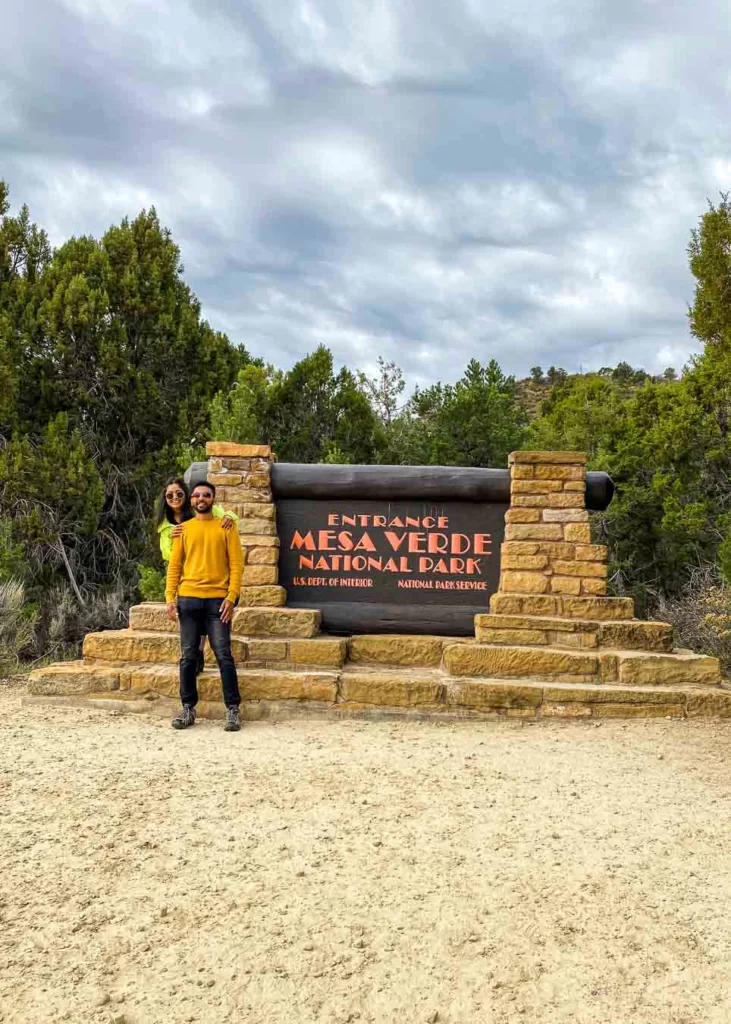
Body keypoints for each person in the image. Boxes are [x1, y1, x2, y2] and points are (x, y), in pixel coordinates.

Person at [165, 480, 244, 732]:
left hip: (218, 602)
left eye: (206, 495)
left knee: (223, 654)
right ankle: (188, 709)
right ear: (192, 500)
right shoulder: (183, 530)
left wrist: (231, 597)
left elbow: (237, 565)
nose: (201, 499)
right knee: (188, 656)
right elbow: (174, 566)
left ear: (213, 499)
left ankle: (232, 710)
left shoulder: (226, 527)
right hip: (188, 600)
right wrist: (169, 598)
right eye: (197, 495)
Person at [156, 477, 238, 675]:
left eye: (179, 493)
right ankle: (196, 656)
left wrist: (229, 517)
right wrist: (176, 539)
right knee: (191, 633)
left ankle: (199, 653)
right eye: (169, 495)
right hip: (188, 578)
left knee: (215, 639)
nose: (174, 498)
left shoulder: (197, 511)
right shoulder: (165, 526)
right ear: (165, 499)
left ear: (186, 495)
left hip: (212, 580)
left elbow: (226, 516)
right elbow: (168, 556)